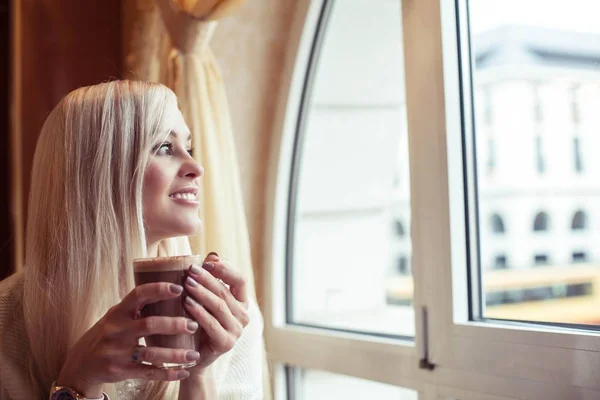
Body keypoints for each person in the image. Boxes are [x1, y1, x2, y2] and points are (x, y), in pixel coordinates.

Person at [0, 81, 264, 399]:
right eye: (165, 148)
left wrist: (197, 374)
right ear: (96, 169)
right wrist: (79, 379)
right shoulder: (6, 320)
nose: (196, 167)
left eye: (188, 148)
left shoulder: (225, 311)